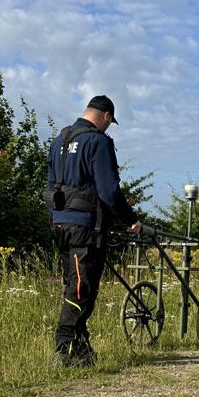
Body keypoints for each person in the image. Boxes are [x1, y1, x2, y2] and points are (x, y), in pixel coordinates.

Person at [46, 95, 141, 367]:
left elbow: (52, 187)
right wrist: (129, 219)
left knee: (74, 285)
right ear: (107, 117)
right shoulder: (98, 142)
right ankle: (63, 351)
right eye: (110, 123)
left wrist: (58, 218)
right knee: (82, 289)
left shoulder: (59, 140)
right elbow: (109, 191)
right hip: (86, 228)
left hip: (61, 226)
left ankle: (83, 353)